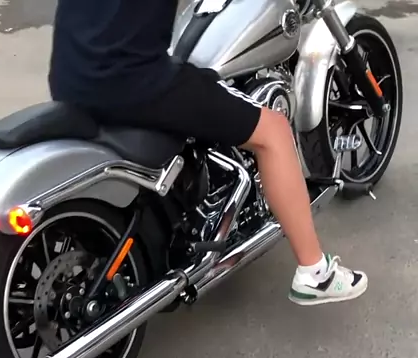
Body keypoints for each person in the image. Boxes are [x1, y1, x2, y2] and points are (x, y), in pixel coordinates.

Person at [49, 0, 368, 306]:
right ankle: (315, 274)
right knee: (274, 131)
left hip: (70, 78)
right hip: (132, 83)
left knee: (190, 79)